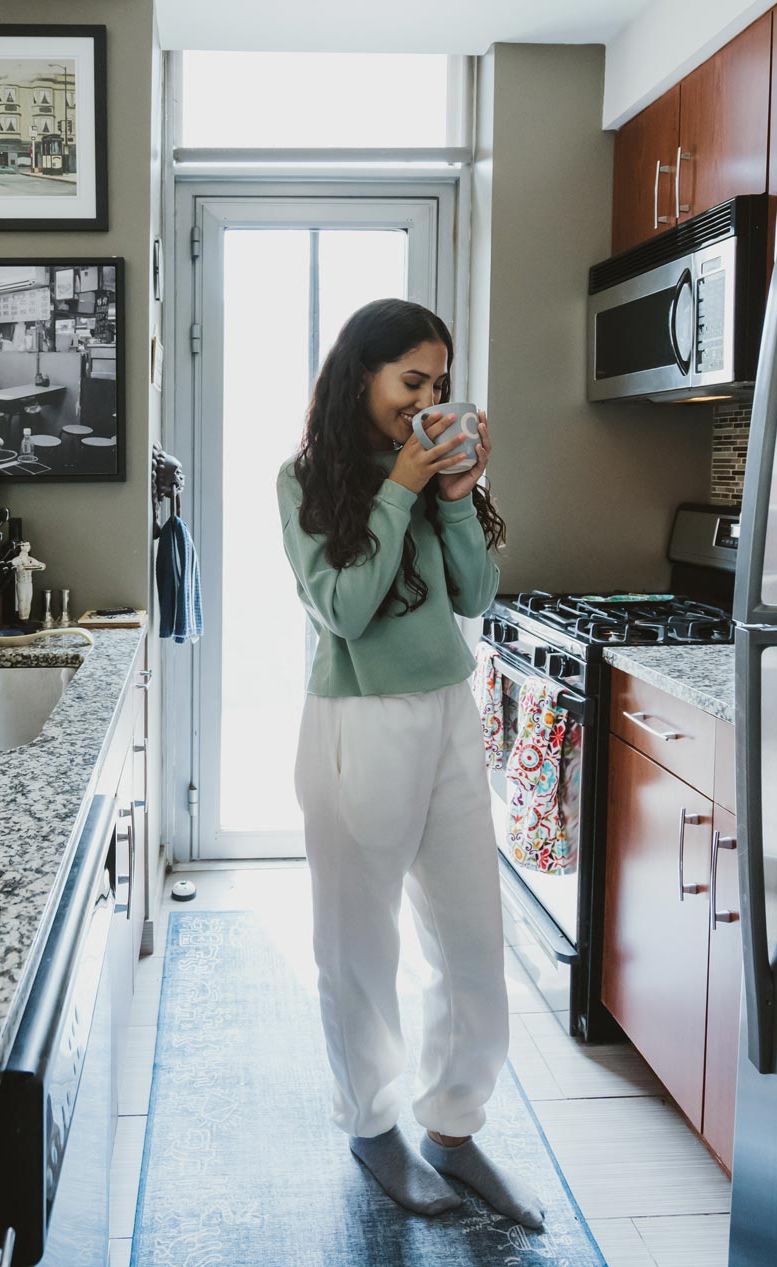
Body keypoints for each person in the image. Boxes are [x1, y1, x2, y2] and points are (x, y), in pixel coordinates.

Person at [276, 298, 541, 1230]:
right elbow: (344, 610)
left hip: (446, 713)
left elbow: (473, 593)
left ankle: (455, 1129)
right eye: (411, 382)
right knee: (358, 947)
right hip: (358, 722)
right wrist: (399, 485)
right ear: (363, 379)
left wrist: (456, 495)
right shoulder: (305, 480)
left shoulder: (434, 478)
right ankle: (372, 1124)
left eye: (440, 384)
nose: (429, 399)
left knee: (472, 940)